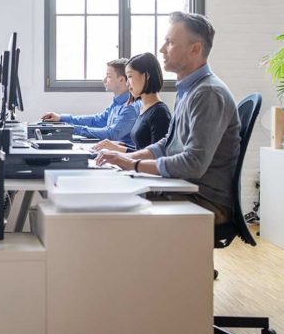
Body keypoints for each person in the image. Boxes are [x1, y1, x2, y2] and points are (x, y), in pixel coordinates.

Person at [96, 12, 240, 224]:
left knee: (110, 207)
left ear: (195, 49)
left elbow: (193, 164)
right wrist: (128, 160)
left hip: (204, 200)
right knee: (107, 193)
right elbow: (167, 145)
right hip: (184, 188)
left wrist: (132, 165)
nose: (163, 50)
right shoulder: (189, 90)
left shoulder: (208, 93)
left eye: (170, 43)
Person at [41, 58, 139, 143]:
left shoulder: (130, 107)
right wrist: (62, 118)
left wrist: (72, 129)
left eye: (109, 76)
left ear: (121, 80)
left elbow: (111, 134)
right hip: (110, 151)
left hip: (122, 157)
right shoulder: (117, 103)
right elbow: (96, 120)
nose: (104, 80)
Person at [92, 52, 171, 153]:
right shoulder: (144, 108)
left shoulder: (159, 113)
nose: (126, 83)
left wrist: (120, 151)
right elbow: (143, 150)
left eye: (129, 76)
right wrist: (118, 147)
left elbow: (157, 157)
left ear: (146, 76)